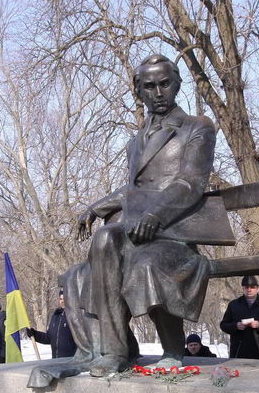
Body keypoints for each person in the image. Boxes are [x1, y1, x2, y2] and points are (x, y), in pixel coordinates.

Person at [66, 54, 222, 376]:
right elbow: (133, 190)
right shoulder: (135, 142)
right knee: (99, 244)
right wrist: (96, 208)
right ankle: (115, 350)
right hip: (138, 230)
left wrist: (156, 214)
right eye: (149, 86)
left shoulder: (197, 127)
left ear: (177, 85)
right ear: (139, 91)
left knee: (144, 264)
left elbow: (190, 182)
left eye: (165, 84)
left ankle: (171, 348)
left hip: (174, 231)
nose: (158, 92)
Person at [220, 276, 259, 359]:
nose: (249, 290)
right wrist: (236, 326)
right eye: (246, 287)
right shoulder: (234, 305)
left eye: (252, 287)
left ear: (258, 288)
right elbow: (223, 325)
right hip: (239, 350)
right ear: (243, 289)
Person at [26, 290, 77, 358]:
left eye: (64, 298)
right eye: (60, 299)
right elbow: (48, 338)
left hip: (71, 360)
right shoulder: (55, 316)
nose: (62, 301)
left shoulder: (75, 316)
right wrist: (34, 334)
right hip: (55, 360)